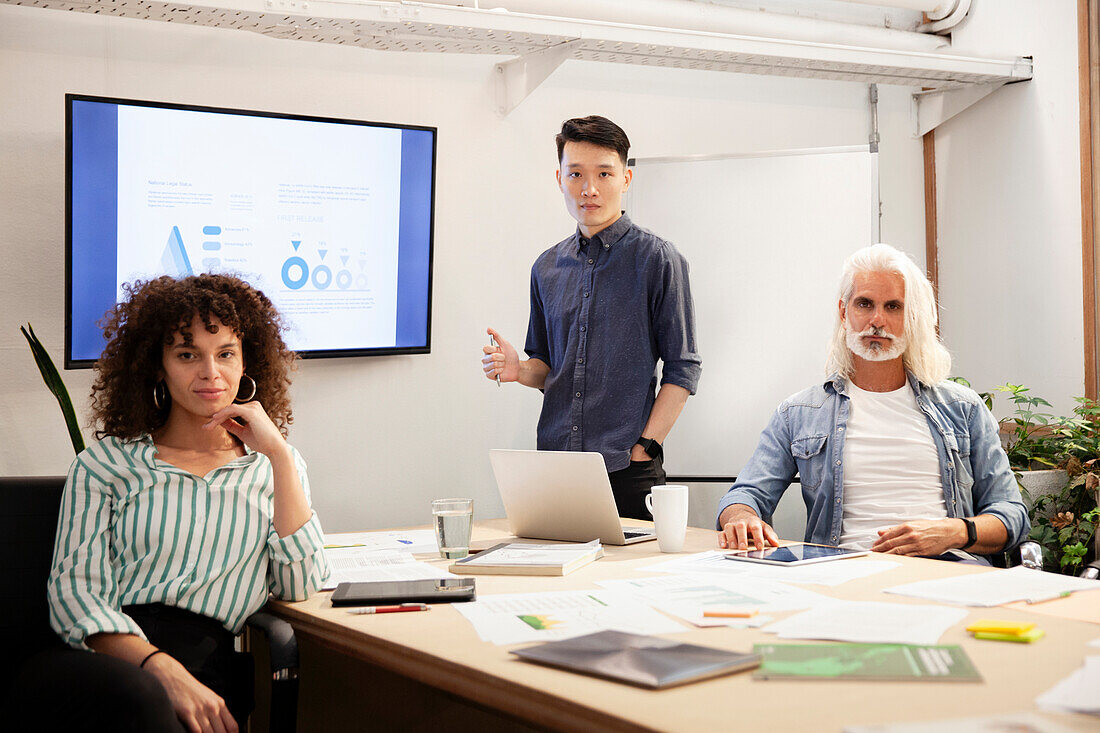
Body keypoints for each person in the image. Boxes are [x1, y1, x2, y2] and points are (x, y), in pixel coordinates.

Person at [42, 274, 329, 733]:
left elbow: (302, 584)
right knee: (143, 704)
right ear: (158, 365)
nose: (211, 373)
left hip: (211, 665)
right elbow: (76, 595)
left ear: (247, 361)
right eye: (187, 354)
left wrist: (277, 455)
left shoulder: (276, 466)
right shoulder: (105, 464)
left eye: (226, 354)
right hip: (108, 663)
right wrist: (158, 666)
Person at [716, 243, 1029, 563]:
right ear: (844, 312)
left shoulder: (964, 409)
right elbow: (745, 495)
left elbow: (1012, 516)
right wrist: (742, 517)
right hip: (839, 576)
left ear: (911, 317)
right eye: (865, 304)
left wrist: (954, 532)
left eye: (893, 307)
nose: (877, 320)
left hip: (945, 573)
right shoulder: (798, 414)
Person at [481, 115, 702, 520]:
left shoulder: (657, 259)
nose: (590, 188)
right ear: (559, 179)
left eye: (604, 173)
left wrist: (645, 448)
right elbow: (548, 369)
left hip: (627, 467)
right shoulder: (546, 267)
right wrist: (519, 370)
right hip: (556, 465)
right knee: (554, 578)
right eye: (576, 174)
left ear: (626, 178)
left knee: (633, 581)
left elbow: (683, 368)